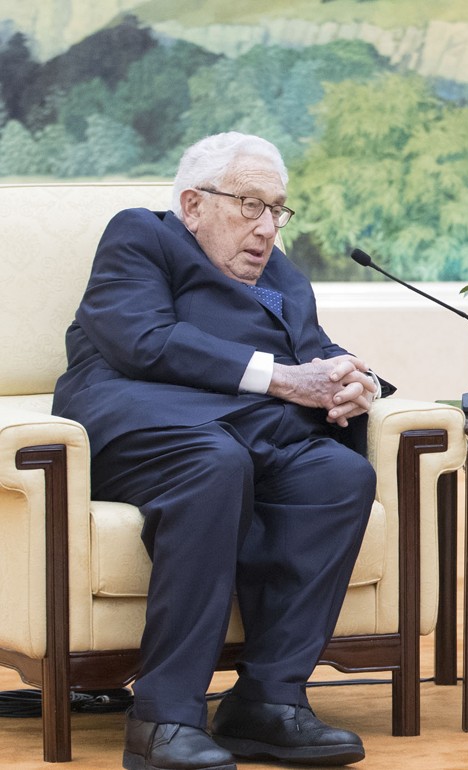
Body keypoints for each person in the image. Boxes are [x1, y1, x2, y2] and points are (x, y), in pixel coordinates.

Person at [53, 132, 390, 770]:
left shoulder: (283, 275)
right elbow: (141, 340)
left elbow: (315, 350)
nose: (266, 228)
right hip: (140, 421)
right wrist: (285, 380)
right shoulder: (141, 237)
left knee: (339, 474)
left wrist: (356, 383)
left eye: (277, 210)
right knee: (215, 461)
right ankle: (163, 718)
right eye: (249, 205)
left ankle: (268, 700)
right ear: (193, 204)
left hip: (249, 430)